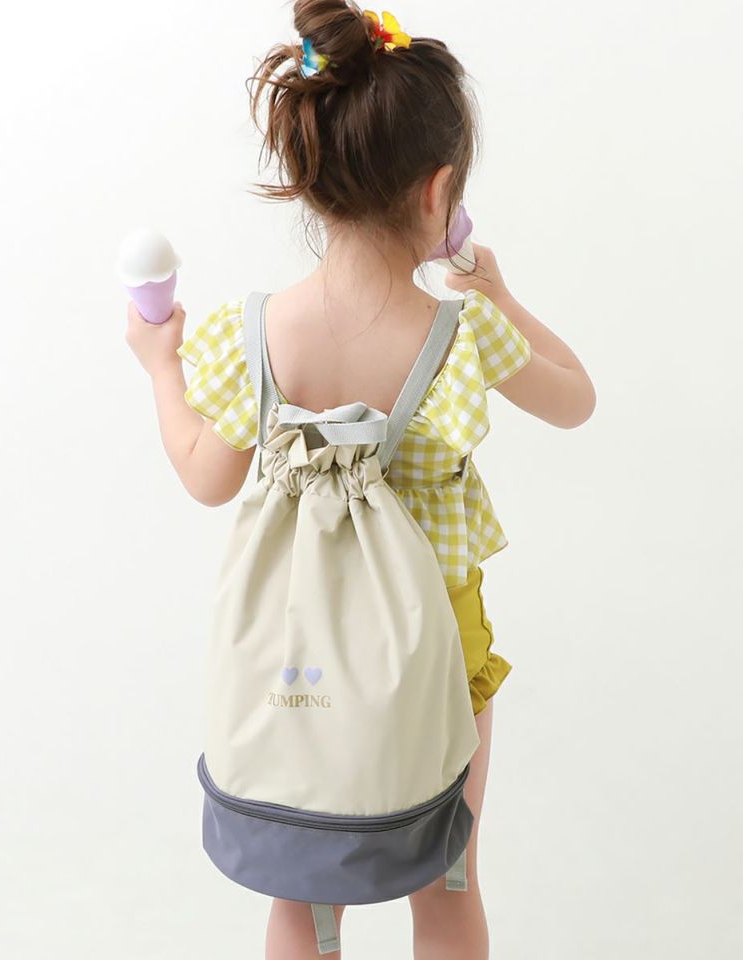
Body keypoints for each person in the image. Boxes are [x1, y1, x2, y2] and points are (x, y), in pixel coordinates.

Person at [125, 2, 596, 957]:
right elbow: (575, 399)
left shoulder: (254, 334)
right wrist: (498, 292)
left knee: (300, 900)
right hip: (439, 641)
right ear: (439, 191)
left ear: (313, 177)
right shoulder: (465, 335)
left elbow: (205, 477)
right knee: (447, 881)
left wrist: (160, 367)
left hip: (295, 655)